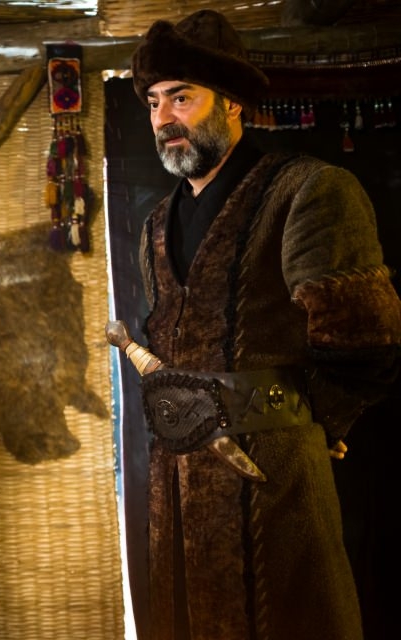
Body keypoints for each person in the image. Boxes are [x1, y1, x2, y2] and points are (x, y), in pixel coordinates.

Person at [128, 10, 401, 640]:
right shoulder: (153, 226)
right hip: (173, 487)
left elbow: (363, 340)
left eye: (181, 98)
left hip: (275, 480)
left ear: (232, 104)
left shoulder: (309, 191)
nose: (164, 118)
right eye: (153, 102)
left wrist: (313, 423)